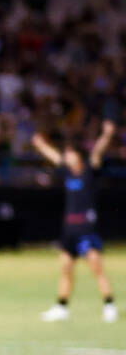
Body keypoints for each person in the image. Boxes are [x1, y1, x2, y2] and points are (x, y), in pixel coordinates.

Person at [32, 122, 118, 323]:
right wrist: (40, 145)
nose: (67, 156)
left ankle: (109, 304)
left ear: (79, 156)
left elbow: (97, 151)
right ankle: (62, 306)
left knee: (96, 266)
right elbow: (54, 156)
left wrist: (106, 135)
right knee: (66, 268)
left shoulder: (89, 172)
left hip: (86, 229)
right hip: (69, 230)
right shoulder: (67, 173)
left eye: (70, 154)